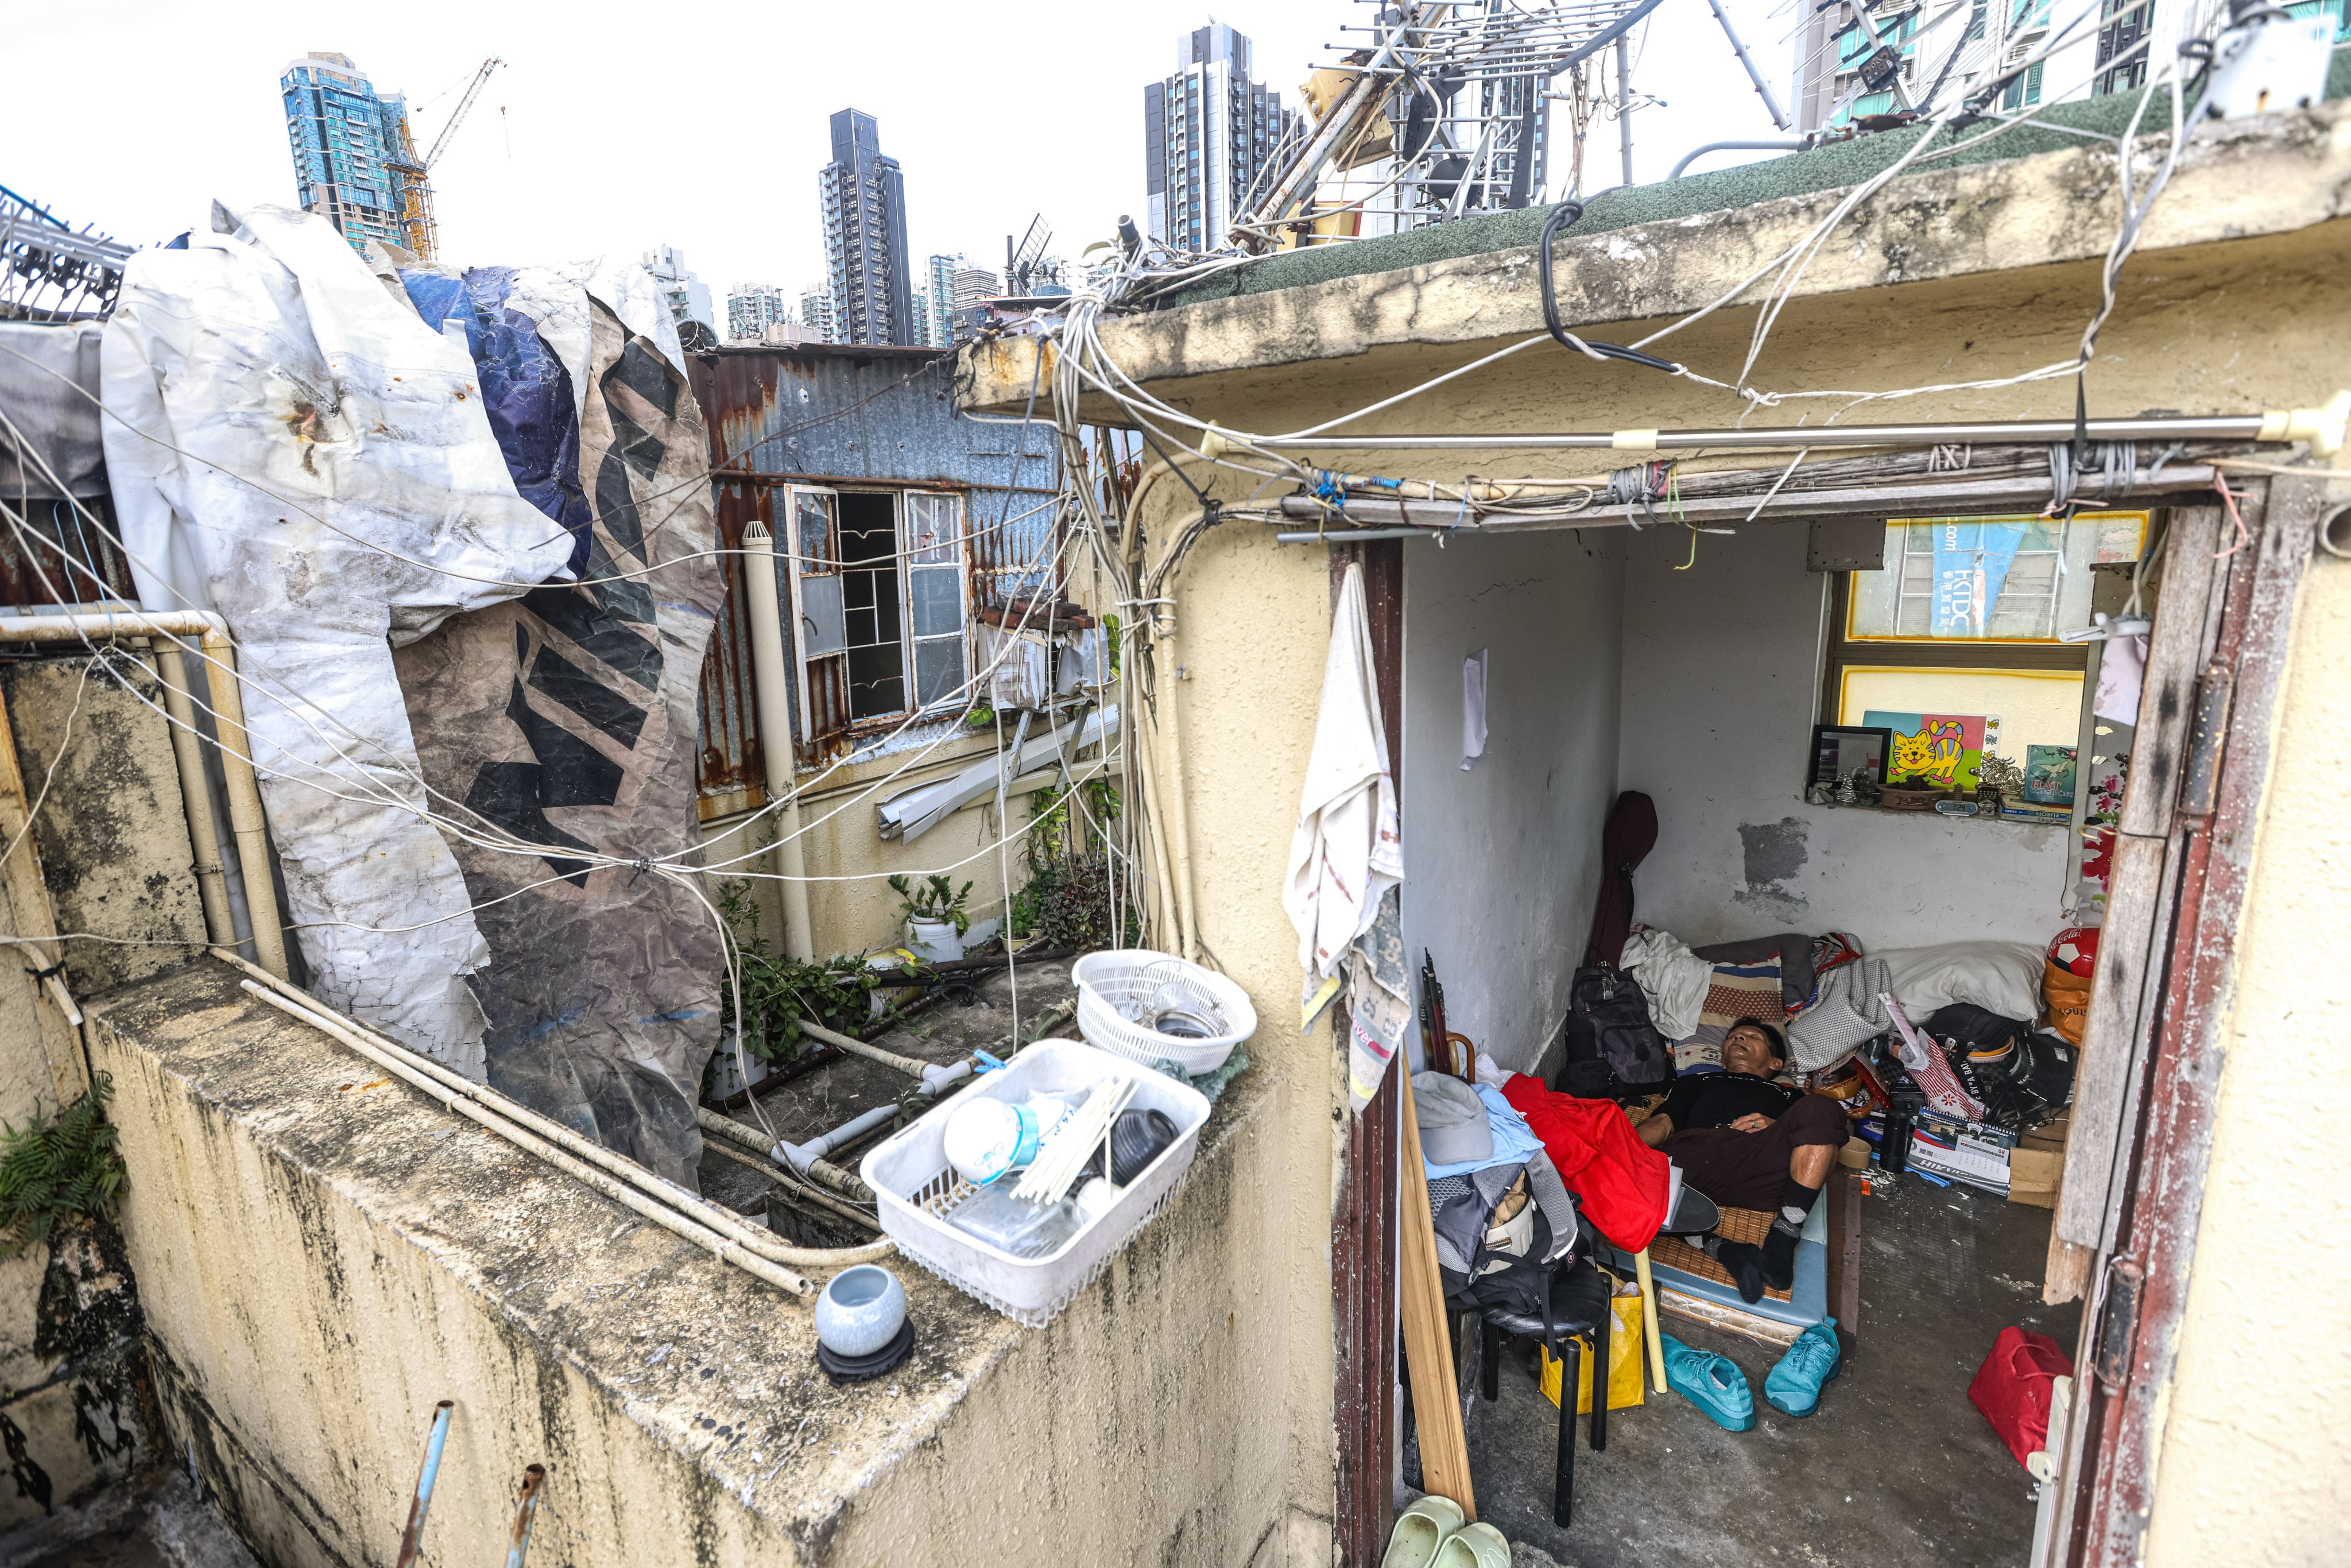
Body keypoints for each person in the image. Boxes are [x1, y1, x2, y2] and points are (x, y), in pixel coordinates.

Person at [1630, 1017, 1849, 1303]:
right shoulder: (1695, 1082)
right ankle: (1723, 1248)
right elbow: (1663, 1122)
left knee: (1824, 1108)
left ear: (1775, 1063)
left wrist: (1774, 1123)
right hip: (1693, 1161)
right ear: (1722, 1058)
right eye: (1733, 1037)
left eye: (1751, 1037)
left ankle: (1785, 1233)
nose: (1739, 1039)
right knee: (1614, 1184)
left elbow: (1824, 1135)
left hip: (1760, 1161)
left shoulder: (1788, 1094)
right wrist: (1621, 1148)